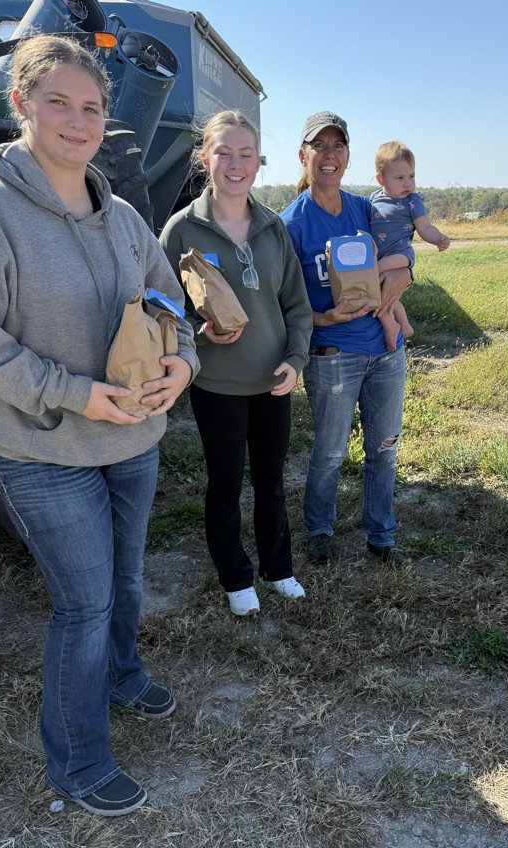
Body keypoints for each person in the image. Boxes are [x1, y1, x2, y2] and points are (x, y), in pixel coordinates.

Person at [0, 36, 198, 816]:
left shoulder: (121, 216)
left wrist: (181, 364)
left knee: (126, 579)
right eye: (59, 103)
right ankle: (76, 761)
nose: (78, 122)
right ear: (22, 105)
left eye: (92, 107)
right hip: (42, 447)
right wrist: (77, 395)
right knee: (83, 602)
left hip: (134, 439)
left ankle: (121, 675)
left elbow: (168, 301)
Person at [161, 110, 312, 616]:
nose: (235, 163)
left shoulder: (273, 227)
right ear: (205, 159)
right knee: (225, 484)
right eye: (224, 151)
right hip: (219, 385)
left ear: (259, 162)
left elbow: (296, 305)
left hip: (273, 381)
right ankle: (235, 576)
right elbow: (163, 314)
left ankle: (279, 567)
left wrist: (295, 360)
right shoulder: (182, 230)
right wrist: (200, 337)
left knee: (271, 481)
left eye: (246, 154)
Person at [281, 112, 412, 567]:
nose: (330, 154)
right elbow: (285, 308)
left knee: (385, 449)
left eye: (338, 146)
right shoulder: (291, 224)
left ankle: (381, 535)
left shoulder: (365, 209)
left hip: (385, 352)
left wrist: (406, 274)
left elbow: (400, 249)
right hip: (332, 354)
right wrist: (326, 318)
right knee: (331, 451)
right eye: (320, 146)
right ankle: (319, 529)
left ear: (349, 155)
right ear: (304, 155)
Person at [370, 141, 450, 349]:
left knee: (371, 279)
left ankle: (392, 328)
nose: (408, 183)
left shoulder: (413, 202)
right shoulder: (374, 199)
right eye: (399, 178)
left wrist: (438, 238)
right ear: (381, 179)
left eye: (411, 176)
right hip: (381, 255)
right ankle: (402, 326)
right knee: (381, 294)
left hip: (401, 255)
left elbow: (424, 227)